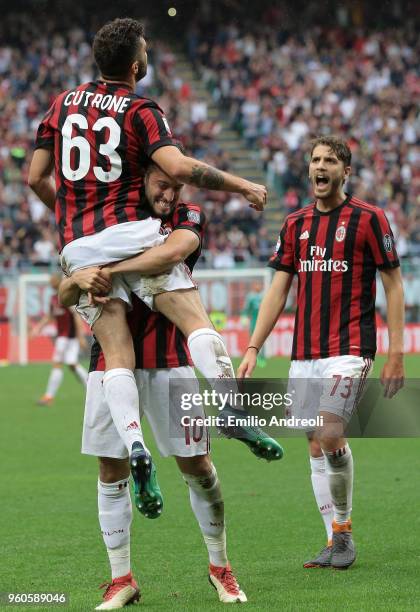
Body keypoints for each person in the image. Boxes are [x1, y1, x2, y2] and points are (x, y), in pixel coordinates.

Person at [28, 17, 268, 509]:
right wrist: (243, 185)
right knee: (193, 317)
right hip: (132, 234)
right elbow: (178, 168)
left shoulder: (62, 104)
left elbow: (35, 178)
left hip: (79, 247)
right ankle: (230, 406)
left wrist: (74, 218)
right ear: (137, 64)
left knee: (115, 351)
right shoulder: (140, 109)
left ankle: (135, 444)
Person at [59, 169, 248, 608]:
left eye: (176, 186)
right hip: (109, 365)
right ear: (139, 180)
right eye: (162, 184)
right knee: (111, 470)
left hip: (169, 362)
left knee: (198, 466)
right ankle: (121, 578)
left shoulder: (183, 217)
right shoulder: (98, 224)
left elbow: (175, 252)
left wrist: (108, 269)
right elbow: (65, 288)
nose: (170, 193)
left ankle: (220, 567)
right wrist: (81, 279)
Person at [238, 136, 405, 570]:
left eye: (330, 160)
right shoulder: (295, 224)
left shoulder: (370, 219)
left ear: (345, 172)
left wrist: (396, 352)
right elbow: (278, 288)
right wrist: (254, 346)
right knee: (314, 444)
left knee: (330, 433)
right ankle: (332, 539)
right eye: (315, 159)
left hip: (350, 347)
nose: (321, 166)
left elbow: (393, 284)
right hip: (305, 352)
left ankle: (345, 533)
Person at [30, 273, 88, 405]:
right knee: (72, 364)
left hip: (67, 337)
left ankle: (49, 397)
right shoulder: (52, 298)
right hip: (64, 337)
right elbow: (49, 316)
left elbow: (76, 316)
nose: (50, 282)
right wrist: (37, 328)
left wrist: (81, 336)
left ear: (58, 281)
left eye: (52, 279)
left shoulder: (66, 296)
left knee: (57, 363)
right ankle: (91, 388)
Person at [241, 281, 267, 368]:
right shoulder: (250, 297)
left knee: (262, 340)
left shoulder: (264, 296)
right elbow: (246, 309)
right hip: (254, 322)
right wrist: (244, 317)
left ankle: (262, 358)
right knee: (253, 340)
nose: (258, 286)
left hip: (263, 322)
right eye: (256, 284)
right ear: (254, 286)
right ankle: (255, 357)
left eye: (259, 284)